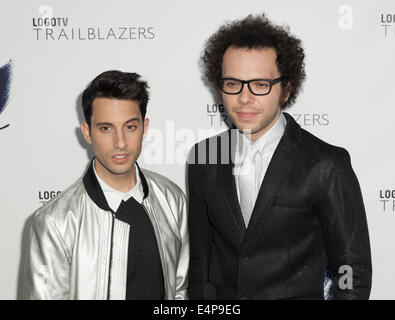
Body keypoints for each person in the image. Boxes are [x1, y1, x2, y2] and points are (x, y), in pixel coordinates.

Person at [187, 14, 371, 300]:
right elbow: (200, 264)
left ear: (286, 89)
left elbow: (352, 271)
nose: (244, 98)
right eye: (233, 83)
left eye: (260, 84)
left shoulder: (326, 165)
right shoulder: (203, 158)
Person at [22, 70, 188, 300]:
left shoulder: (172, 199)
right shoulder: (55, 222)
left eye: (130, 127)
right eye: (105, 128)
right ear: (87, 133)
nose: (120, 143)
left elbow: (181, 290)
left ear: (145, 127)